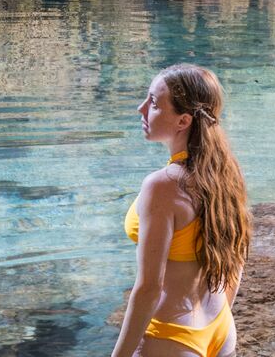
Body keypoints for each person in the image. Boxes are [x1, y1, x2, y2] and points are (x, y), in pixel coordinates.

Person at [112, 64, 252, 357]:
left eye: (153, 102)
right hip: (221, 327)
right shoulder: (225, 171)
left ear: (183, 120)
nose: (141, 109)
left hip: (172, 336)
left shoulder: (161, 186)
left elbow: (149, 288)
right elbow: (236, 254)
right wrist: (220, 315)